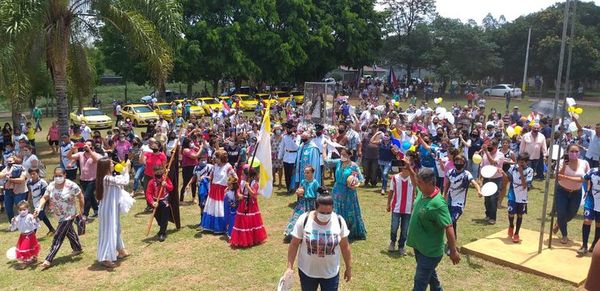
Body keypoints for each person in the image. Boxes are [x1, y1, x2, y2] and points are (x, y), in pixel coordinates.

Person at [407, 168, 460, 291]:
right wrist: (409, 168)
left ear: (430, 183)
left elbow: (449, 226)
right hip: (419, 247)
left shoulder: (438, 204)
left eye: (420, 183)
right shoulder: (422, 192)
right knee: (431, 277)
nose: (417, 185)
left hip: (429, 252)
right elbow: (415, 181)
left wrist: (453, 250)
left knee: (419, 282)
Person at [286, 194, 352, 290]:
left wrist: (349, 267)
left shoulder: (339, 221)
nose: (325, 215)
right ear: (315, 208)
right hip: (307, 272)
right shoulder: (304, 219)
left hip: (331, 273)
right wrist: (289, 267)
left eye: (328, 212)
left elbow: (345, 246)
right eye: (322, 212)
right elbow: (294, 244)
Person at [34, 168, 84, 269]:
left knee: (58, 235)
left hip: (69, 214)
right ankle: (77, 248)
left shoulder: (71, 185)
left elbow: (80, 196)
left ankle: (49, 259)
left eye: (60, 175)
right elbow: (45, 197)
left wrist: (82, 210)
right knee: (68, 231)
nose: (58, 177)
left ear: (65, 175)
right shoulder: (51, 185)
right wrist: (39, 207)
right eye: (56, 175)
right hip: (58, 214)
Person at [95, 158, 131, 268]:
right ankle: (105, 257)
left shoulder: (107, 178)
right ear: (106, 166)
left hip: (111, 208)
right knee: (108, 232)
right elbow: (125, 182)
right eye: (111, 163)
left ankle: (121, 250)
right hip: (107, 210)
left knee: (116, 229)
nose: (113, 164)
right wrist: (127, 170)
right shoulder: (106, 178)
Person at [325, 148, 367, 240]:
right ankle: (336, 230)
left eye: (344, 154)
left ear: (349, 155)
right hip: (337, 191)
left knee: (349, 211)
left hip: (349, 192)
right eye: (341, 154)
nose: (342, 156)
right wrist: (324, 149)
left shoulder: (353, 166)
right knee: (336, 210)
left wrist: (355, 185)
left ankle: (350, 231)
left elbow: (360, 179)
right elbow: (326, 161)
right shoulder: (338, 162)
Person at [554, 144, 590, 244]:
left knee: (571, 214)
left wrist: (588, 190)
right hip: (562, 190)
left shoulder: (584, 163)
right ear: (568, 152)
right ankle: (564, 235)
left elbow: (586, 179)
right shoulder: (561, 162)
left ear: (579, 153)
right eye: (572, 151)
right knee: (561, 213)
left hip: (576, 192)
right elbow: (558, 177)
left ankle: (559, 223)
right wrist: (565, 165)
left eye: (576, 151)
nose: (574, 153)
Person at [443, 155, 482, 239]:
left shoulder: (466, 174)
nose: (458, 163)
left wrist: (479, 191)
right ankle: (453, 240)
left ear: (464, 164)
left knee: (451, 221)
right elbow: (447, 185)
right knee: (451, 223)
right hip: (450, 201)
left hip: (459, 203)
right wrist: (444, 195)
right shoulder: (450, 172)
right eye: (457, 161)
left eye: (461, 162)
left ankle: (451, 244)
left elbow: (474, 183)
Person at [230, 167, 267, 247]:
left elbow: (254, 194)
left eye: (243, 174)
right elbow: (239, 191)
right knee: (243, 221)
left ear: (248, 176)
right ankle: (241, 239)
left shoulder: (254, 183)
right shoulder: (242, 182)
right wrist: (239, 194)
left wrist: (248, 187)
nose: (241, 176)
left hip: (251, 204)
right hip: (243, 203)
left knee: (251, 221)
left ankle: (253, 238)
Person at [202, 150, 237, 233]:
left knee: (220, 208)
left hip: (222, 190)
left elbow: (235, 178)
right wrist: (205, 178)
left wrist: (229, 186)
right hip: (214, 189)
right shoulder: (215, 166)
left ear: (222, 158)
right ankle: (211, 226)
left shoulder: (228, 167)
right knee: (212, 207)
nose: (215, 159)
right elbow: (212, 176)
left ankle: (221, 227)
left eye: (217, 157)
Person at [387, 157, 416, 255]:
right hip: (396, 207)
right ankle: (392, 241)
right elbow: (391, 192)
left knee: (405, 229)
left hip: (408, 209)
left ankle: (401, 246)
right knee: (394, 227)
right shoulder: (395, 178)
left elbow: (416, 182)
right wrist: (388, 204)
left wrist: (410, 169)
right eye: (403, 165)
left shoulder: (413, 178)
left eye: (407, 165)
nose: (405, 167)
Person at [284, 165, 320, 241]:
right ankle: (292, 233)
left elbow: (318, 194)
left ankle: (308, 235)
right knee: (297, 217)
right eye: (305, 173)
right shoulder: (303, 181)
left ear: (312, 173)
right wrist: (298, 192)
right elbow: (300, 190)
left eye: (308, 172)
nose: (306, 174)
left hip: (311, 203)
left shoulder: (315, 182)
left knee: (310, 219)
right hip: (302, 202)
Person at [67, 140, 102, 219]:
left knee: (86, 196)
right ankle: (97, 210)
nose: (86, 146)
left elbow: (96, 160)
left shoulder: (96, 155)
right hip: (83, 179)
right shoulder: (80, 154)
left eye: (88, 145)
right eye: (85, 144)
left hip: (93, 180)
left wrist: (90, 151)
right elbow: (69, 157)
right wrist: (72, 150)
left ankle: (85, 215)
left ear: (92, 146)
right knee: (91, 196)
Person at [506, 153, 534, 243]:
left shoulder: (529, 171)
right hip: (512, 193)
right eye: (519, 162)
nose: (520, 164)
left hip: (522, 195)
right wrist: (502, 172)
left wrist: (521, 173)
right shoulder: (513, 168)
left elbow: (525, 186)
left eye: (522, 162)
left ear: (526, 162)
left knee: (519, 214)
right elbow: (509, 177)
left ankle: (517, 233)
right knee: (511, 213)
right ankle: (511, 225)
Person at [145, 166, 173, 242]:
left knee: (164, 217)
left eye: (160, 172)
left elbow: (171, 188)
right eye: (157, 173)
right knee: (158, 216)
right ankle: (163, 227)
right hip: (156, 201)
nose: (159, 174)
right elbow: (148, 193)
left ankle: (162, 233)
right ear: (154, 173)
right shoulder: (151, 182)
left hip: (165, 200)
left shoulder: (165, 178)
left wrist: (166, 185)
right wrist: (152, 202)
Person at [10, 200, 40, 268]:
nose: (22, 211)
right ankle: (28, 260)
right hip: (23, 235)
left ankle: (27, 261)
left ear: (28, 209)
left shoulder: (29, 216)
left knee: (28, 247)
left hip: (30, 235)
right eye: (20, 210)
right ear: (18, 210)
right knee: (24, 247)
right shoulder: (18, 217)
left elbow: (34, 221)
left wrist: (35, 217)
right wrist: (14, 221)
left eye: (24, 209)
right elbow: (14, 225)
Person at [480, 139, 504, 225]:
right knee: (487, 198)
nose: (489, 148)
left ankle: (493, 217)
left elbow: (493, 162)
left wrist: (486, 152)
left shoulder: (500, 155)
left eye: (491, 147)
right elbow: (482, 166)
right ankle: (488, 214)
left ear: (496, 147)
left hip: (496, 179)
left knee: (494, 199)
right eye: (488, 146)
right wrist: (480, 178)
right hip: (486, 178)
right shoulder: (485, 155)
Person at [579, 166, 600, 256]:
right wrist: (587, 189)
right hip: (591, 200)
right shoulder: (592, 171)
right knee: (587, 221)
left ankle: (595, 243)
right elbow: (586, 179)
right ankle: (584, 246)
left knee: (598, 225)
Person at [0, 156, 28, 223]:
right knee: (8, 209)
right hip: (8, 192)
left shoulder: (21, 168)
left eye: (10, 161)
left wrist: (10, 179)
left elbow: (21, 180)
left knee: (21, 208)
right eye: (7, 161)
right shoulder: (7, 168)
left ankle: (24, 222)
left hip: (19, 191)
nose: (9, 163)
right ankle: (13, 224)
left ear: (15, 161)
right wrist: (6, 174)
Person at [27, 168, 54, 235]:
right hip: (34, 201)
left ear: (38, 173)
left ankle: (32, 235)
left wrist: (49, 204)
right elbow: (30, 191)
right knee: (43, 216)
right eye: (31, 174)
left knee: (36, 218)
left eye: (34, 174)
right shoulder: (29, 182)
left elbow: (47, 195)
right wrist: (28, 200)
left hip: (41, 202)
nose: (32, 176)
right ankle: (52, 229)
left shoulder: (42, 183)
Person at [278, 122, 299, 193]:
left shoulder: (297, 136)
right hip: (286, 157)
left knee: (293, 173)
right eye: (287, 128)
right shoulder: (285, 137)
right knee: (287, 174)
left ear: (293, 129)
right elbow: (282, 147)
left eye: (290, 128)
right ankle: (288, 188)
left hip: (294, 156)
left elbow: (297, 147)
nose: (288, 130)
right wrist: (279, 156)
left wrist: (293, 139)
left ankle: (293, 187)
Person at [181, 138, 201, 202]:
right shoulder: (185, 150)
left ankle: (193, 197)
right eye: (190, 142)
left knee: (194, 183)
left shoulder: (192, 149)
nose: (191, 143)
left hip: (194, 167)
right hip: (187, 168)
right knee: (186, 183)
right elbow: (195, 156)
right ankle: (181, 199)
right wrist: (201, 148)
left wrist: (197, 147)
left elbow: (198, 151)